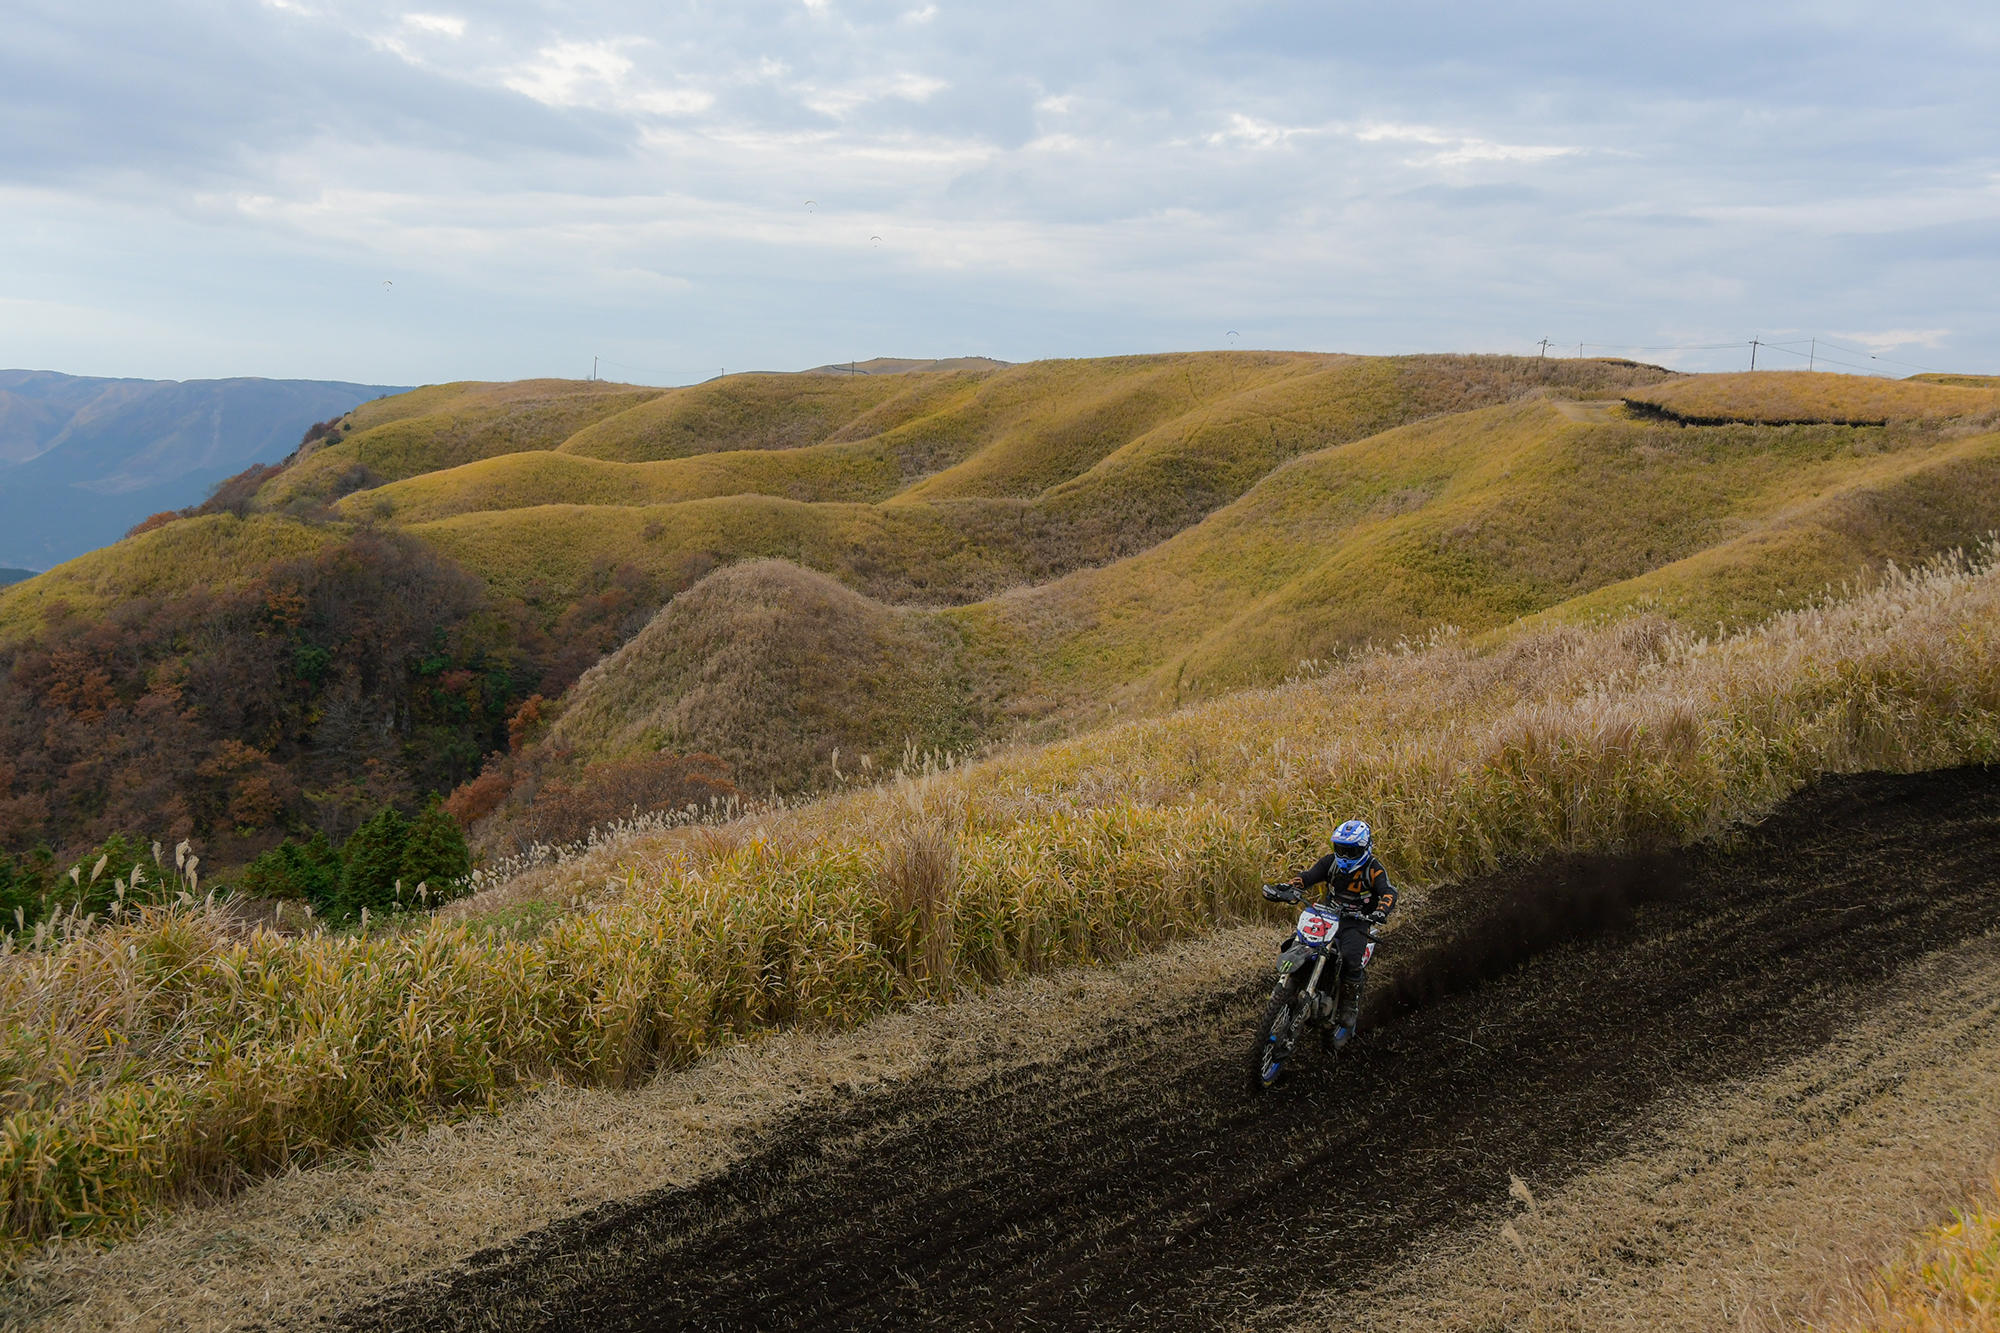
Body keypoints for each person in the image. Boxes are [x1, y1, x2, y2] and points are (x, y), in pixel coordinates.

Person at [1264, 819, 1398, 1048]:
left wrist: (1381, 911)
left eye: (1351, 850)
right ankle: (1292, 985)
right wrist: (1289, 887)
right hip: (1328, 914)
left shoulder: (1374, 869)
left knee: (1351, 959)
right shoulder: (1330, 863)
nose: (1344, 855)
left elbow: (1388, 892)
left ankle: (1349, 1007)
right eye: (1340, 849)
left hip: (1357, 921)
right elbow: (1307, 876)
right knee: (1298, 942)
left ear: (1365, 848)